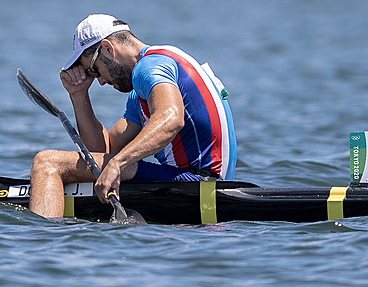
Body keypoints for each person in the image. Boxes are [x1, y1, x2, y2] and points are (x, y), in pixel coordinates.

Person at [29, 14, 237, 218]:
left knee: (46, 162)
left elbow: (172, 118)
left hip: (197, 183)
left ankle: (44, 246)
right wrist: (79, 95)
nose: (99, 81)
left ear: (108, 49)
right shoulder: (154, 76)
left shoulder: (149, 68)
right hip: (205, 181)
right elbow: (101, 153)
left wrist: (117, 164)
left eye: (94, 70)